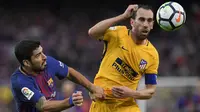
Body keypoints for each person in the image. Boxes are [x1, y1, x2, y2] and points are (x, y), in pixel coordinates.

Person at [88, 4, 159, 112]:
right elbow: (92, 32)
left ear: (152, 24)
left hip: (126, 106)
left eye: (149, 21)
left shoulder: (152, 54)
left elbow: (150, 90)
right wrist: (122, 16)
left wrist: (132, 93)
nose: (145, 24)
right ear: (132, 22)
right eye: (141, 19)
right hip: (101, 102)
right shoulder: (118, 33)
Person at [10, 40, 104, 112]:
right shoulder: (20, 81)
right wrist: (71, 101)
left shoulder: (47, 63)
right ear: (26, 63)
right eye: (38, 55)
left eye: (42, 52)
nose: (44, 57)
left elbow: (69, 72)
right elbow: (43, 106)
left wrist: (92, 87)